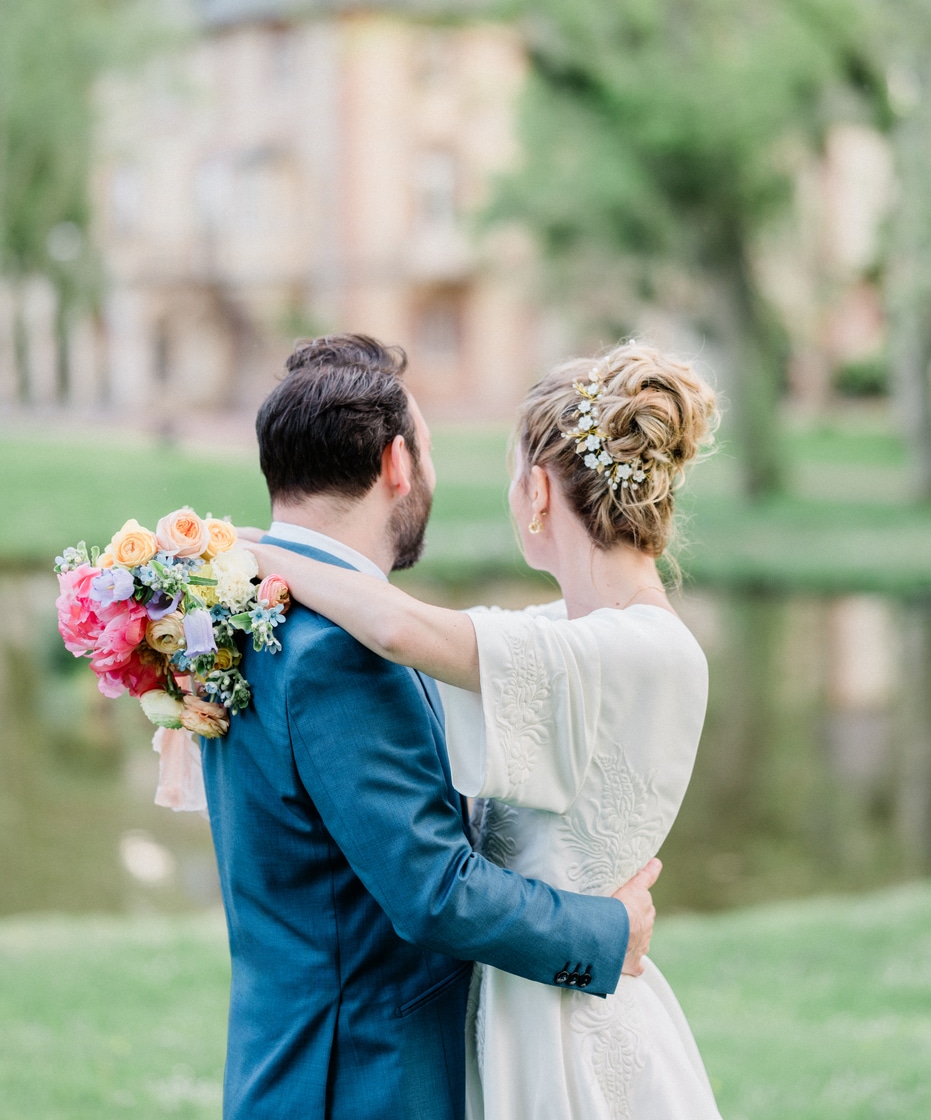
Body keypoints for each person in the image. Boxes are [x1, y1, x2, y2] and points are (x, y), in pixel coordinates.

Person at [242, 337, 723, 1120]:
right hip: (521, 989)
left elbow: (399, 630)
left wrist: (249, 554)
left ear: (536, 491)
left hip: (561, 1012)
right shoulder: (553, 637)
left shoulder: (620, 652)